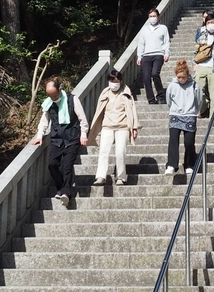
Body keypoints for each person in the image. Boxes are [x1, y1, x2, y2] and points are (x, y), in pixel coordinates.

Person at [31, 77, 89, 208]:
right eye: (50, 95)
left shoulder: (72, 99)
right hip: (57, 139)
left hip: (72, 138)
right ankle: (62, 188)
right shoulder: (48, 103)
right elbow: (44, 122)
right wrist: (40, 135)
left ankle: (66, 194)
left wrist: (83, 134)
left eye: (55, 94)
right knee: (52, 165)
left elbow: (82, 119)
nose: (53, 97)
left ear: (59, 89)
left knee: (67, 167)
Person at [87, 68, 139, 186]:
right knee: (103, 151)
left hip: (123, 126)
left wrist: (134, 127)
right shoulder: (105, 93)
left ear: (120, 81)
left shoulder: (126, 93)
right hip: (107, 126)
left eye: (116, 81)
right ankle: (101, 176)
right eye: (112, 81)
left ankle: (121, 177)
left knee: (120, 152)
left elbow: (132, 110)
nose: (114, 84)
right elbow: (99, 111)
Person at [164, 60, 201, 175]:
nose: (181, 80)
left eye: (183, 77)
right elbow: (168, 100)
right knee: (173, 140)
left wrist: (195, 110)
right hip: (175, 114)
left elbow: (199, 99)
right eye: (179, 77)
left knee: (189, 142)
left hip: (190, 115)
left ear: (187, 76)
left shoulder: (194, 85)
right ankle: (171, 164)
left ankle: (189, 164)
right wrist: (174, 109)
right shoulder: (172, 85)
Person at [136, 8, 169, 104]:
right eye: (150, 16)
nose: (152, 18)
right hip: (146, 56)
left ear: (158, 17)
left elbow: (166, 42)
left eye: (154, 16)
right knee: (146, 78)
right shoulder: (144, 29)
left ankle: (160, 94)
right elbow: (141, 43)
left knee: (155, 73)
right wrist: (139, 56)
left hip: (158, 54)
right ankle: (151, 99)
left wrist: (166, 53)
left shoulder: (163, 28)